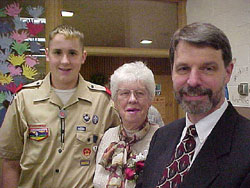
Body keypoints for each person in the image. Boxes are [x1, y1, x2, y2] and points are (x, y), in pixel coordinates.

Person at [0, 25, 120, 188]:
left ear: (83, 56)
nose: (65, 61)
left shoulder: (103, 102)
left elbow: (120, 151)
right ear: (47, 54)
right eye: (58, 52)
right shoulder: (24, 100)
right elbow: (10, 162)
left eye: (72, 53)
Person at [136, 22, 250, 188]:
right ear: (172, 72)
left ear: (228, 72)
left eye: (208, 68)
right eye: (183, 68)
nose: (193, 81)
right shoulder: (162, 137)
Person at [93, 61, 159, 188]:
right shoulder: (108, 136)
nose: (132, 99)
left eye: (140, 93)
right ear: (115, 101)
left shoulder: (161, 139)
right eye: (125, 93)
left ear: (150, 99)